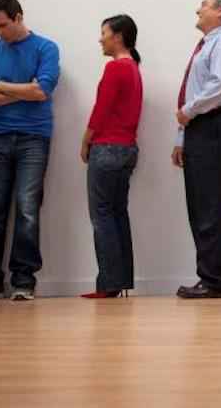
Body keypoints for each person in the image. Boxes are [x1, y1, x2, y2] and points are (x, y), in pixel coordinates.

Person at [0, 0, 60, 302]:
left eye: (3, 25)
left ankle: (23, 280)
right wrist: (25, 90)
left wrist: (2, 86)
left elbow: (42, 91)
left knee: (28, 210)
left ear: (18, 17)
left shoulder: (46, 47)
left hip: (34, 138)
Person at [172, 0, 221, 299]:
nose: (198, 9)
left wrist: (188, 112)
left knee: (211, 206)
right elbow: (196, 90)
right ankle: (209, 276)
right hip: (201, 128)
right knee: (201, 205)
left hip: (216, 127)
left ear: (220, 10)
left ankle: (215, 280)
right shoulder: (208, 45)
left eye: (204, 4)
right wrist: (182, 135)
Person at [79, 15, 143, 299]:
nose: (100, 38)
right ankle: (119, 281)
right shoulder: (134, 69)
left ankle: (108, 283)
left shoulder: (115, 68)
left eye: (103, 33)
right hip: (127, 149)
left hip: (106, 148)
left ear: (117, 36)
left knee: (102, 216)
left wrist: (85, 140)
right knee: (117, 215)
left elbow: (101, 109)